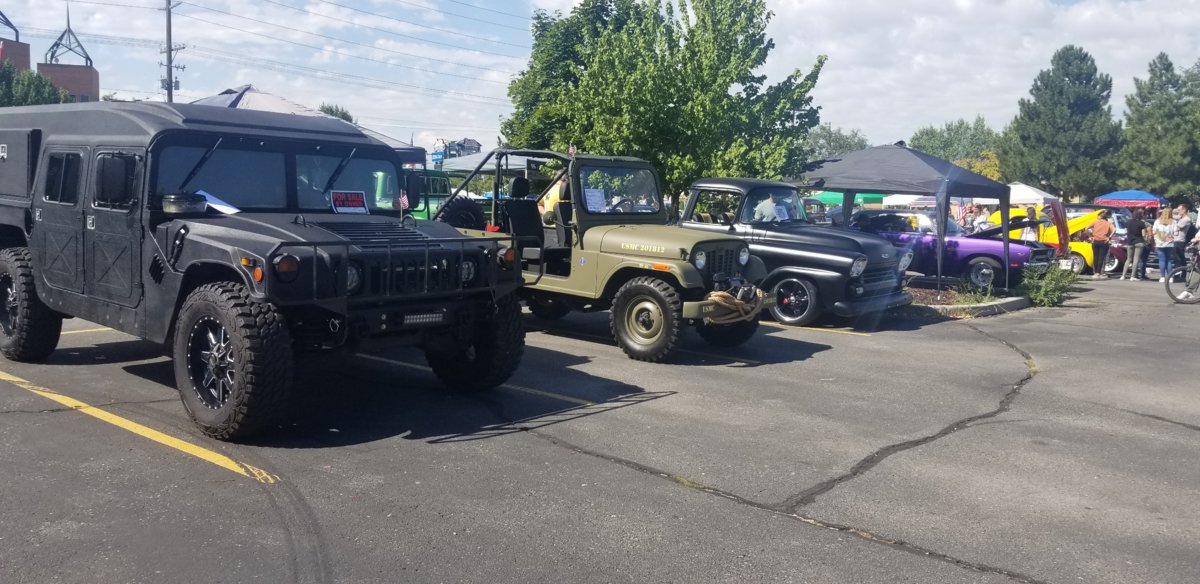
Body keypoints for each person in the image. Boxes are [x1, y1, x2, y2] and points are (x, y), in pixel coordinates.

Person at [1120, 209, 1148, 280]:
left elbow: (1126, 232)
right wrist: (1146, 241)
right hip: (1139, 241)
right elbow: (1143, 234)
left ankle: (1123, 275)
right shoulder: (1141, 223)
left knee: (1128, 259)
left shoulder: (1128, 222)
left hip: (1130, 242)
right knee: (1136, 259)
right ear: (1140, 215)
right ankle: (1132, 276)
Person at [1087, 210, 1115, 279]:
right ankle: (1099, 273)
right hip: (1104, 241)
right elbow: (1114, 230)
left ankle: (1095, 273)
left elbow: (1086, 228)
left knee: (1095, 257)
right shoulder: (1108, 223)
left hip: (1095, 241)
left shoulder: (1095, 222)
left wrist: (1090, 236)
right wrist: (1109, 237)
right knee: (1101, 258)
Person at [1152, 208, 1176, 282]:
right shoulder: (1174, 222)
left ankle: (1162, 277)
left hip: (1159, 243)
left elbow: (1154, 231)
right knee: (1169, 260)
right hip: (1170, 243)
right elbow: (1176, 232)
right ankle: (1170, 278)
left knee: (1162, 260)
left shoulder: (1157, 221)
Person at [1174, 204, 1194, 270]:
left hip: (1180, 240)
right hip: (1177, 239)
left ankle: (1180, 272)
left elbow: (1177, 228)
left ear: (1184, 210)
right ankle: (1180, 272)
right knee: (1178, 258)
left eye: (1179, 210)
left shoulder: (1186, 219)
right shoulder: (1181, 218)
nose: (1178, 211)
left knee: (1179, 258)